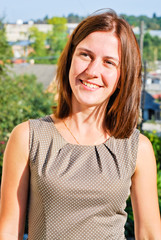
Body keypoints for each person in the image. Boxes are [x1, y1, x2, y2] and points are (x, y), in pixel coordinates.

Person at [0, 9, 161, 240]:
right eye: (85, 55)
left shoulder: (138, 148)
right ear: (69, 60)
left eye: (108, 62)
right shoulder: (27, 137)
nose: (92, 71)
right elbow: (7, 232)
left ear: (121, 77)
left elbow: (150, 235)